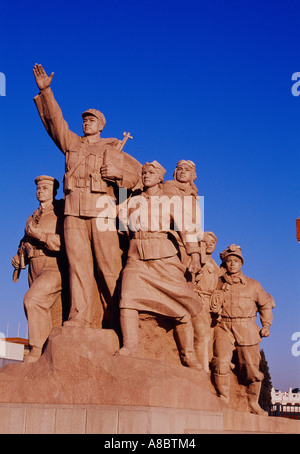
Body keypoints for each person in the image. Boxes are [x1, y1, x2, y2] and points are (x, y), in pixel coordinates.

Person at [32, 64, 142, 329]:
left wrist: (116, 174)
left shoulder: (113, 147)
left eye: (92, 120)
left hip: (102, 210)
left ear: (102, 125)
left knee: (108, 266)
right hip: (73, 210)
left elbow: (136, 178)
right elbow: (54, 122)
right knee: (77, 265)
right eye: (84, 119)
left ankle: (118, 317)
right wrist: (46, 92)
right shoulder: (72, 143)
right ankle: (79, 316)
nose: (86, 122)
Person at [115, 161, 203, 369]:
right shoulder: (132, 201)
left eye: (150, 173)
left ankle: (187, 354)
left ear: (160, 178)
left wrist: (195, 254)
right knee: (127, 297)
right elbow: (119, 223)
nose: (146, 176)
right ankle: (130, 346)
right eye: (143, 173)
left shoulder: (170, 201)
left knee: (179, 304)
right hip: (136, 254)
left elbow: (186, 227)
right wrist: (121, 189)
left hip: (163, 255)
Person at [210, 244, 275, 415]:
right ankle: (223, 399)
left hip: (246, 328)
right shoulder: (217, 283)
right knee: (220, 362)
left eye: (236, 261)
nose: (232, 264)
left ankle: (253, 403)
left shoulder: (253, 285)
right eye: (229, 261)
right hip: (223, 327)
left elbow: (266, 305)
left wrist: (266, 325)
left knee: (252, 371)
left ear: (241, 264)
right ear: (225, 263)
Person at [12, 176, 66, 362]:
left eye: (44, 188)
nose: (40, 191)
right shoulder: (32, 216)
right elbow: (24, 242)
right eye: (38, 188)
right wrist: (19, 257)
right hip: (33, 268)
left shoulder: (61, 213)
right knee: (39, 309)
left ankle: (36, 349)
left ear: (54, 191)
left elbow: (65, 243)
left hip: (53, 266)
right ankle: (47, 351)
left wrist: (40, 235)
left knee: (32, 300)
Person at [163, 160, 203, 271]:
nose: (182, 172)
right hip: (174, 240)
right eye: (179, 169)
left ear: (193, 175)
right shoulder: (168, 188)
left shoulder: (193, 195)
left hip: (190, 242)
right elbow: (179, 217)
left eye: (187, 170)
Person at [193, 231, 223, 372]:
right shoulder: (196, 258)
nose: (209, 245)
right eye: (206, 242)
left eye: (213, 243)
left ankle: (204, 370)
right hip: (197, 299)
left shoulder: (214, 264)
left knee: (208, 338)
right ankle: (200, 371)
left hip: (210, 305)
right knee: (201, 333)